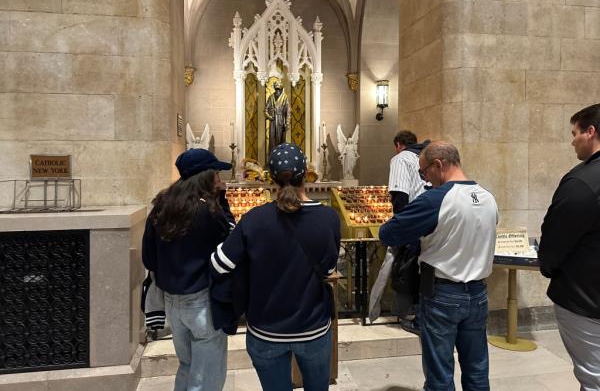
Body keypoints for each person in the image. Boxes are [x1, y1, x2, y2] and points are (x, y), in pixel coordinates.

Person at [210, 143, 340, 391]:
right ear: (307, 174)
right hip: (312, 328)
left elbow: (219, 264)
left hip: (266, 329)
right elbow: (328, 269)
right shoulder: (328, 218)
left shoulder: (254, 218)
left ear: (271, 177)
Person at [379, 141, 498, 391]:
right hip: (478, 294)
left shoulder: (436, 199)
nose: (424, 178)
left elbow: (388, 233)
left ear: (438, 165)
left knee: (439, 374)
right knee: (477, 369)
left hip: (443, 294)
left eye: (424, 172)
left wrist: (418, 238)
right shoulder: (488, 197)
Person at [142, 148, 235, 391]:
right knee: (206, 378)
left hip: (173, 303)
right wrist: (222, 201)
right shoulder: (208, 211)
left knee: (187, 366)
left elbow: (148, 258)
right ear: (206, 177)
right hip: (201, 302)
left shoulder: (161, 207)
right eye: (216, 173)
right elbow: (230, 244)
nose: (220, 178)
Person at [538, 103, 600, 391]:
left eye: (575, 133)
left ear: (591, 132)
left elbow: (555, 238)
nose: (572, 140)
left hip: (586, 299)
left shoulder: (583, 182)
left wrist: (547, 266)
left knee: (593, 378)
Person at [369, 130, 428, 328]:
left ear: (398, 145)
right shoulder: (424, 156)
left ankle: (410, 316)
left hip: (412, 222)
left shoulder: (401, 159)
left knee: (407, 270)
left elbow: (400, 196)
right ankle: (421, 315)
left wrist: (399, 226)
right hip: (430, 223)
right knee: (424, 271)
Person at [265, 80, 290, 152]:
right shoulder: (271, 97)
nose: (277, 91)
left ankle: (280, 156)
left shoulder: (284, 97)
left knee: (280, 139)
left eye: (278, 89)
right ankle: (272, 156)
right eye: (276, 89)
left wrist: (287, 123)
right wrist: (269, 117)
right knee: (272, 139)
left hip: (281, 120)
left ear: (281, 88)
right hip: (272, 121)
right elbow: (265, 110)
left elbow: (287, 111)